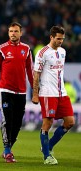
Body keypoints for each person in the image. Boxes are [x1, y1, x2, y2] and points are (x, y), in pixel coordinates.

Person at [32, 26, 75, 165]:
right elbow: (36, 74)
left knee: (70, 122)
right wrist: (35, 93)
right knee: (48, 123)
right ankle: (47, 156)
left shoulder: (63, 52)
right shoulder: (42, 52)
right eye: (58, 39)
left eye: (62, 39)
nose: (61, 41)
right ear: (51, 37)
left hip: (62, 93)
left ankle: (48, 146)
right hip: (48, 93)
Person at [0, 22, 34, 163]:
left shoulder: (26, 49)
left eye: (16, 31)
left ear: (21, 33)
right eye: (11, 31)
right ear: (8, 33)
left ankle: (8, 147)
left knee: (17, 122)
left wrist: (35, 90)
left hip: (21, 91)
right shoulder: (1, 49)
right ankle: (7, 149)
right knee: (7, 121)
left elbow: (30, 71)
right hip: (5, 89)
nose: (13, 34)